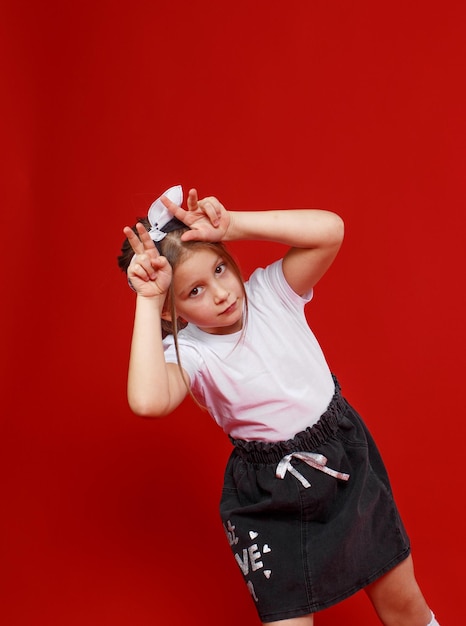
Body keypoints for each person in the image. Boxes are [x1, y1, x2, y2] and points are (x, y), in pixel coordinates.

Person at [118, 185, 440, 626]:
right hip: (269, 492)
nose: (220, 293)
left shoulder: (271, 293)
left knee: (404, 604)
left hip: (341, 460)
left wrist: (236, 224)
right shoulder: (189, 351)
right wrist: (148, 297)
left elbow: (330, 230)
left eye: (219, 268)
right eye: (194, 291)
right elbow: (148, 401)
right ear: (172, 314)